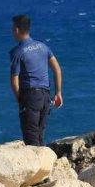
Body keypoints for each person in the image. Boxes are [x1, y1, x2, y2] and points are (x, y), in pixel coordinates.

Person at [9, 14, 63, 146]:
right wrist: (58, 93)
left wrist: (21, 101)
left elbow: (14, 81)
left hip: (31, 96)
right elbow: (57, 68)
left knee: (31, 141)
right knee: (39, 137)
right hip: (46, 97)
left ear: (17, 29)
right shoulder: (43, 46)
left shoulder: (17, 52)